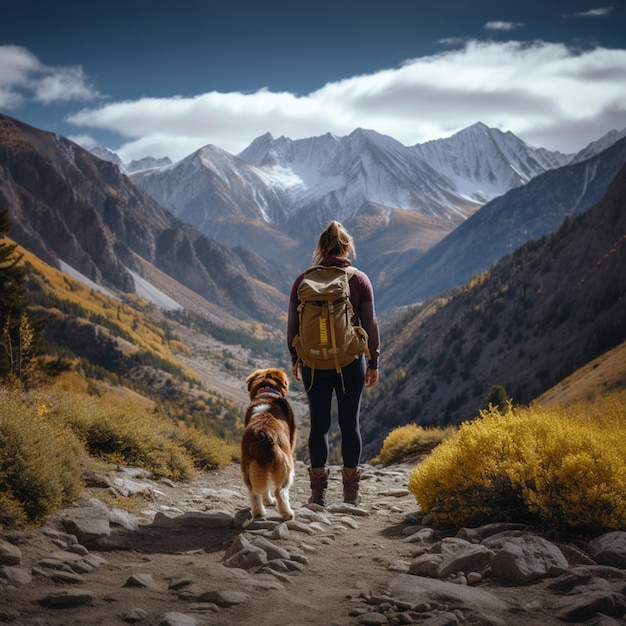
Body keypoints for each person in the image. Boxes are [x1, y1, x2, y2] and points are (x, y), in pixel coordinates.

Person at [287, 221, 380, 506]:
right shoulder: (359, 279)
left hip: (315, 363)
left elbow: (293, 328)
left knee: (319, 426)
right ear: (347, 247)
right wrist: (373, 360)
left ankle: (318, 496)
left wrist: (297, 360)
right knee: (350, 424)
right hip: (350, 361)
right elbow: (370, 324)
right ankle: (350, 496)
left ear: (321, 248)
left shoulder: (303, 280)